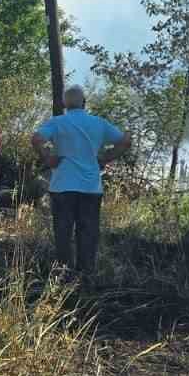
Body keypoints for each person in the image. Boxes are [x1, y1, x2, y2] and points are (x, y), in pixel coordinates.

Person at [31, 85, 131, 274]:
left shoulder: (57, 122)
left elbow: (36, 139)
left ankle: (63, 275)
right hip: (90, 188)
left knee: (63, 233)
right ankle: (86, 276)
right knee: (88, 234)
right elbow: (125, 141)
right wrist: (106, 158)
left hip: (62, 186)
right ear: (84, 102)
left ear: (64, 104)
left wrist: (48, 157)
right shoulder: (99, 123)